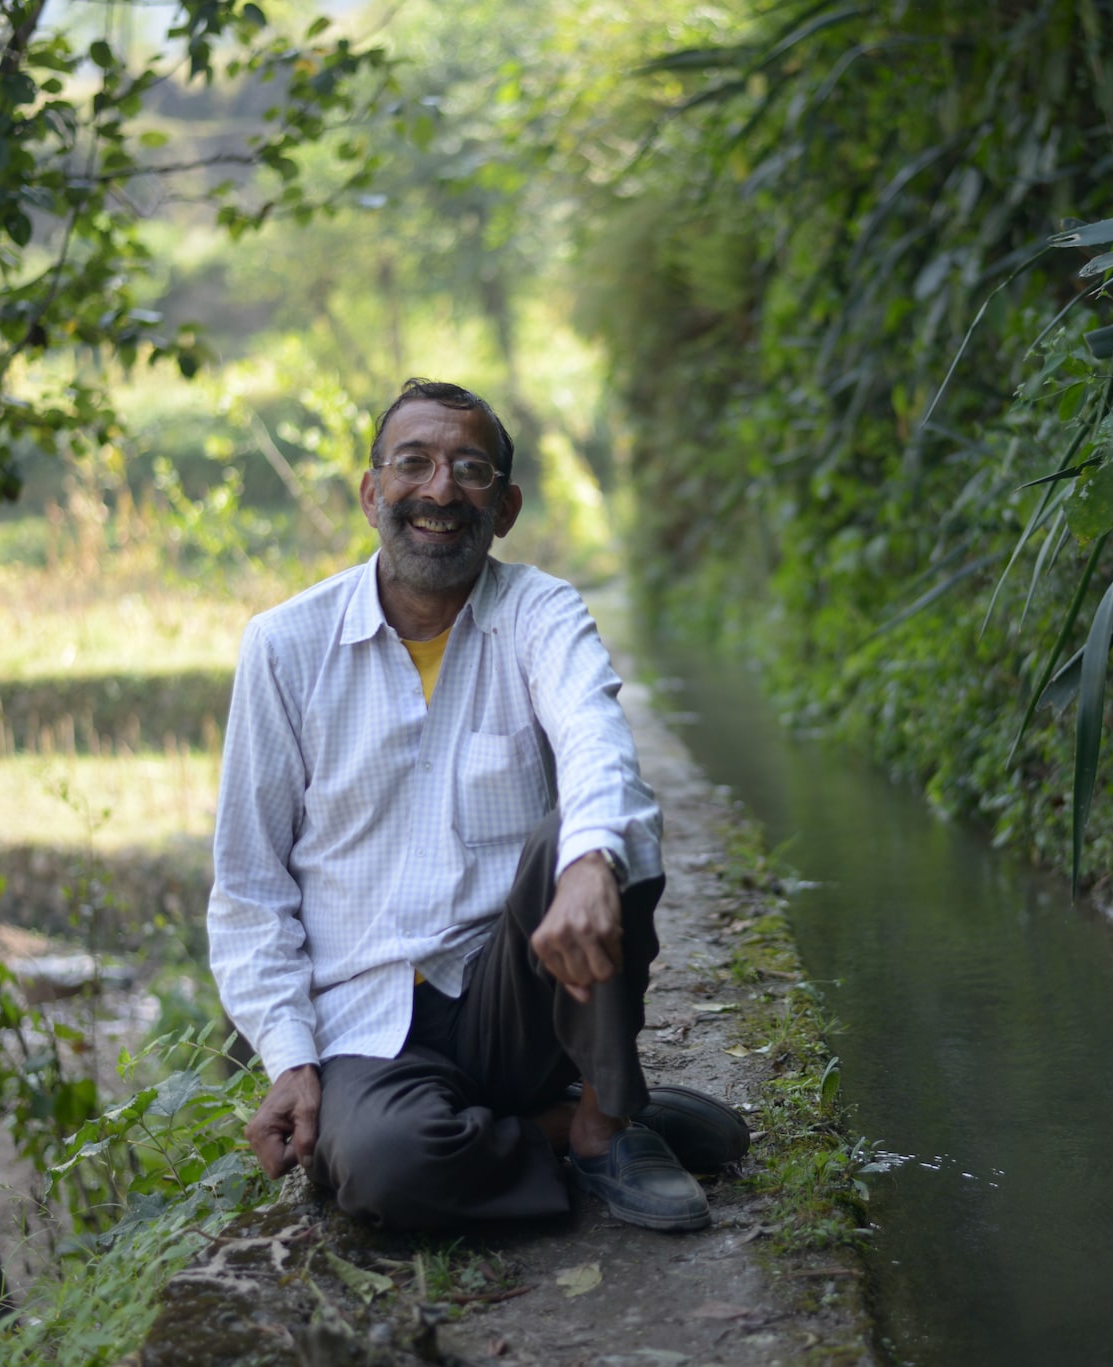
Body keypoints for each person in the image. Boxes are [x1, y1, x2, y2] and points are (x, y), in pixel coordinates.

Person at [206, 379, 746, 1234]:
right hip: (370, 1021)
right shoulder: (284, 648)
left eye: (471, 469)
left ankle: (606, 1121)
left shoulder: (541, 613)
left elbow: (599, 746)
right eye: (413, 464)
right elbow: (249, 887)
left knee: (597, 827)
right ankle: (576, 1123)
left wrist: (589, 859)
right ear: (371, 491)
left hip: (519, 997)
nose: (440, 490)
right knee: (387, 1165)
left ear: (507, 506)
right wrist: (291, 1056)